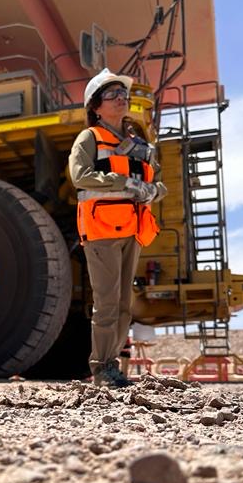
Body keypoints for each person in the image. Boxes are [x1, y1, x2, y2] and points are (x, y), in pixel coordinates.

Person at [68, 68, 166, 388]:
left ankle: (113, 367)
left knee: (123, 304)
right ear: (96, 106)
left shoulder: (136, 143)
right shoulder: (90, 138)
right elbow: (80, 176)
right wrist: (124, 183)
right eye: (112, 95)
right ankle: (102, 368)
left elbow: (156, 181)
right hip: (102, 228)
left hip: (132, 228)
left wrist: (153, 190)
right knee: (108, 303)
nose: (121, 99)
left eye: (123, 94)